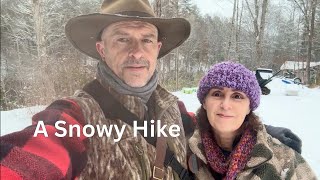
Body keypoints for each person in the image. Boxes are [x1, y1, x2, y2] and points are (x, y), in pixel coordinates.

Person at [0, 0, 303, 179]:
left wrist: (257, 131)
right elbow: (30, 158)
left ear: (157, 48)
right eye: (122, 38)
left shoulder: (174, 108)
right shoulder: (74, 117)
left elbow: (213, 132)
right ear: (101, 49)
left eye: (146, 39)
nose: (136, 51)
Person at [187, 62, 316, 179]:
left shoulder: (283, 159)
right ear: (204, 102)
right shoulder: (184, 151)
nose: (225, 105)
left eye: (237, 96)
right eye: (217, 94)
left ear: (249, 107)